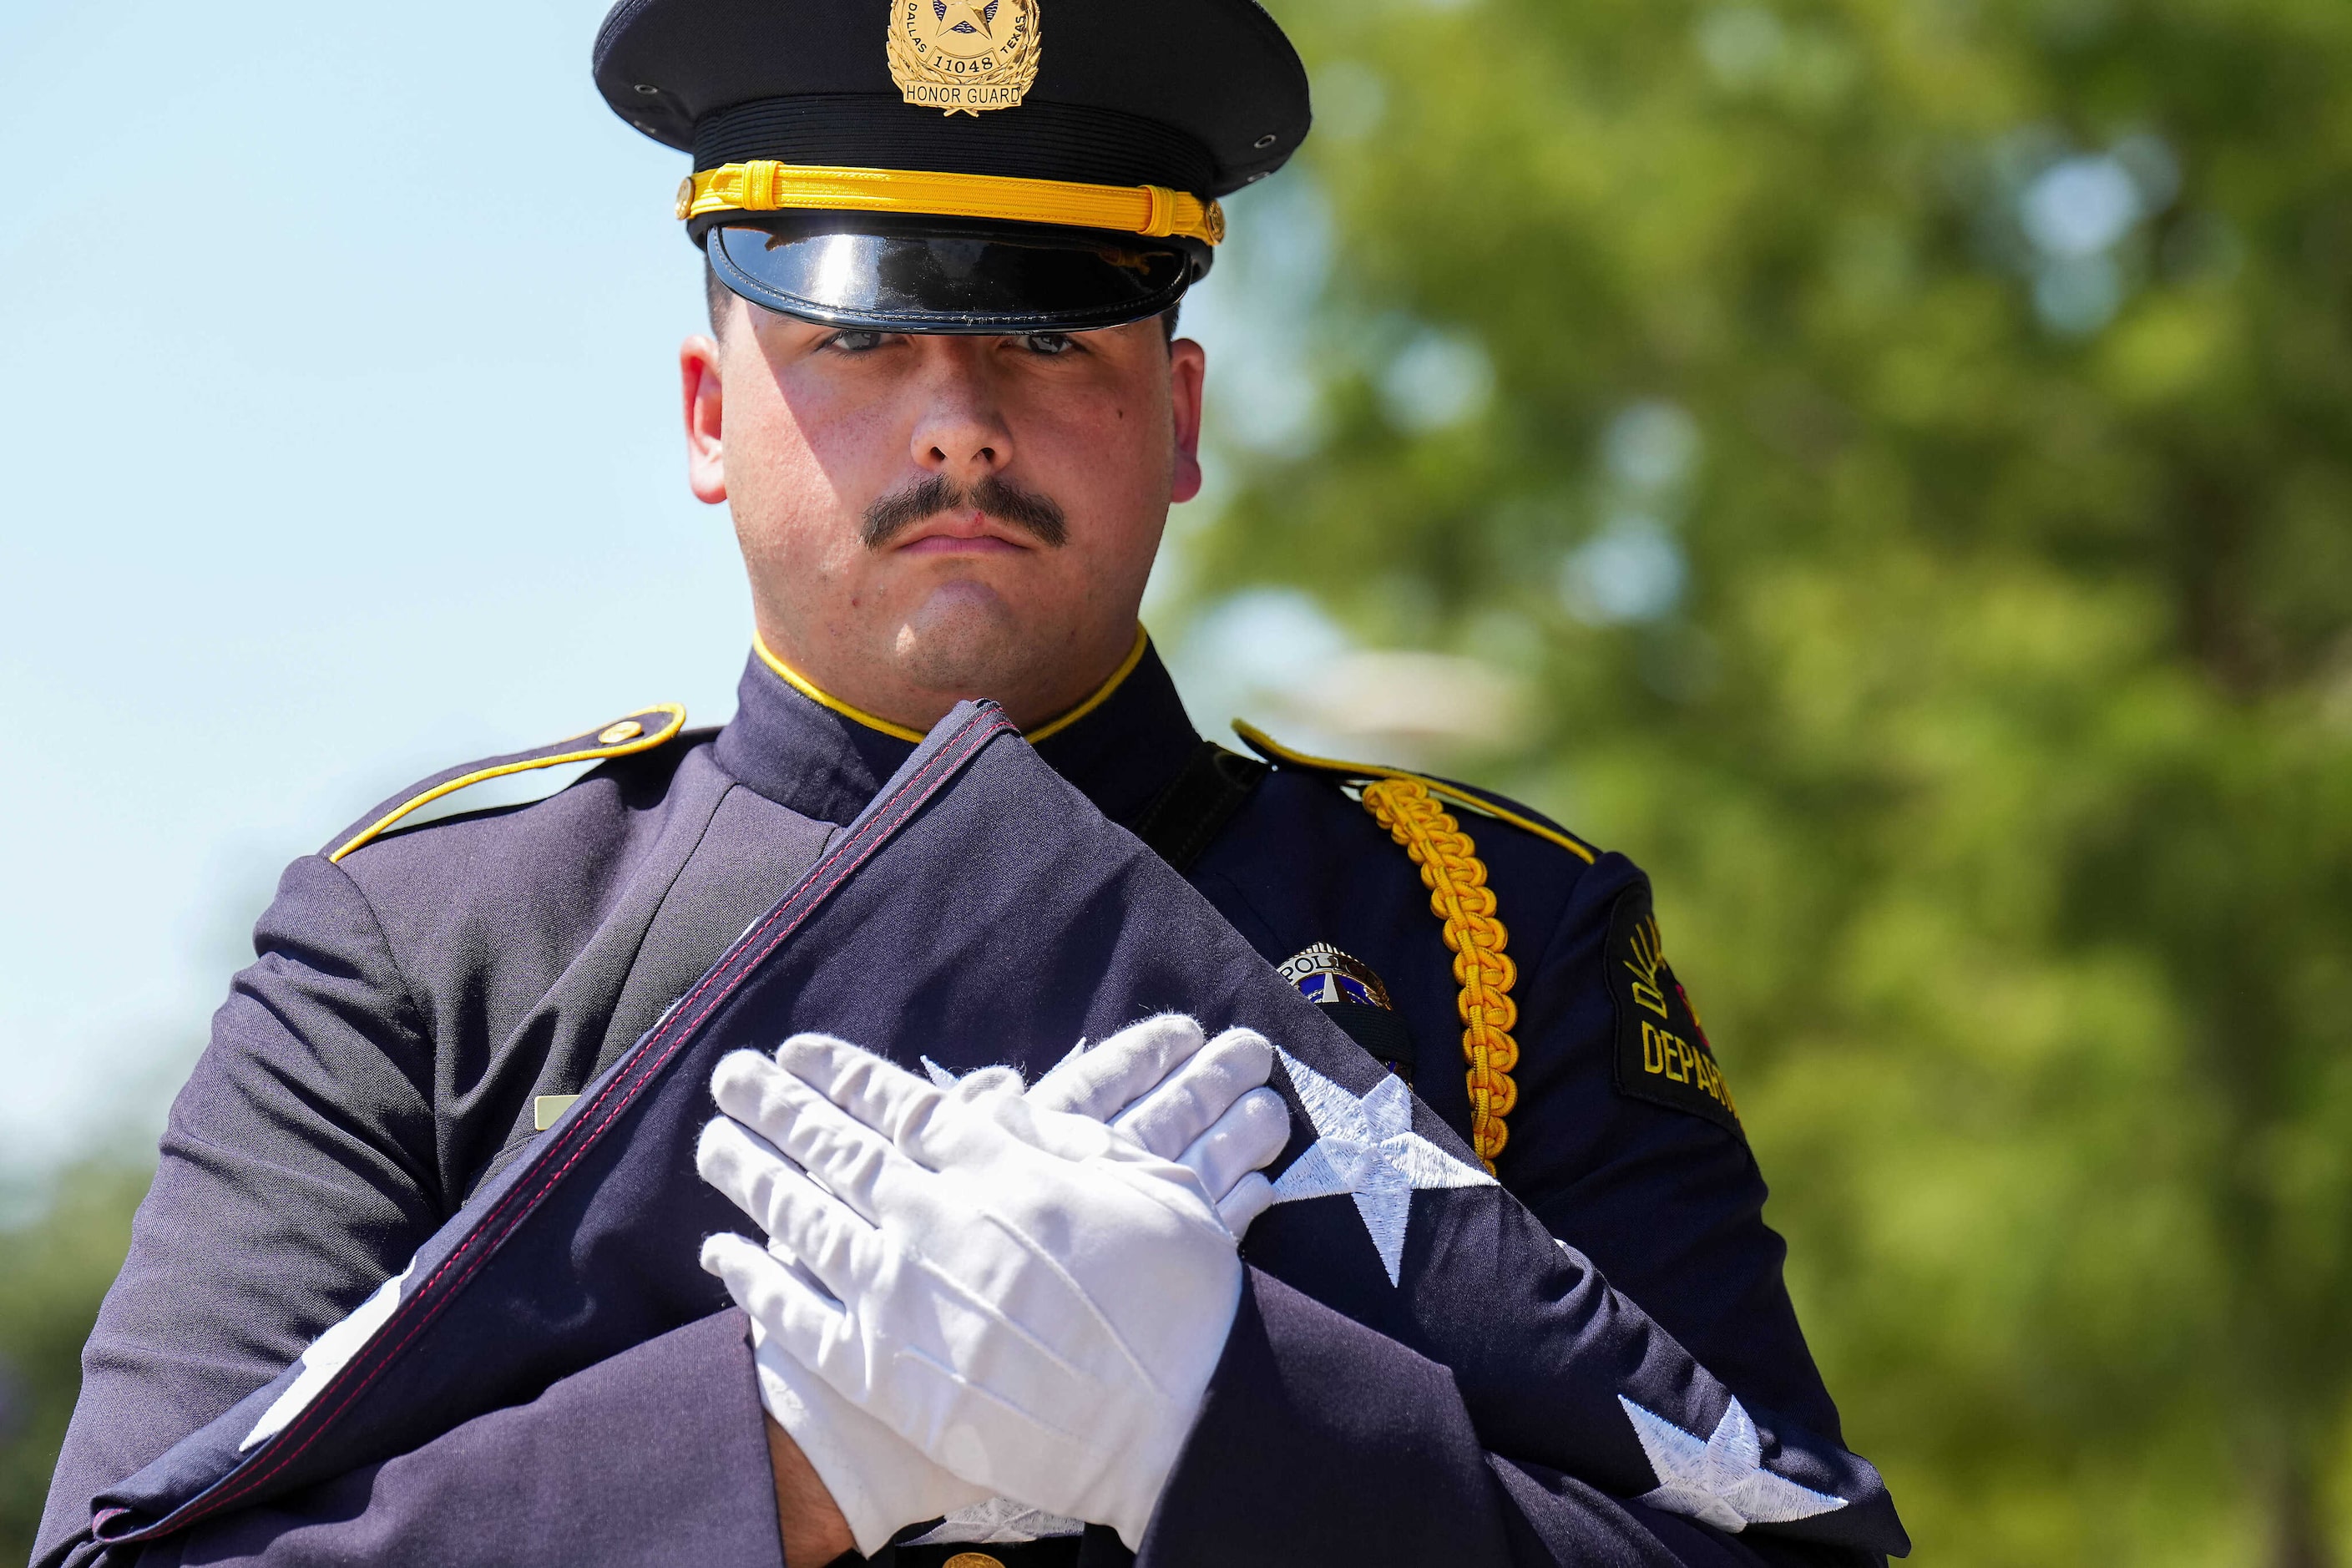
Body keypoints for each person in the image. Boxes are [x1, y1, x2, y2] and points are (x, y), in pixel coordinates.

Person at [35, 0, 1907, 1565]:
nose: (957, 416)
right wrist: (777, 1449)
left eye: (1043, 331)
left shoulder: (1492, 938)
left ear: (1176, 421)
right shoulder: (430, 949)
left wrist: (1218, 1429)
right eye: (857, 335)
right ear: (708, 415)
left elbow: (1765, 1540)